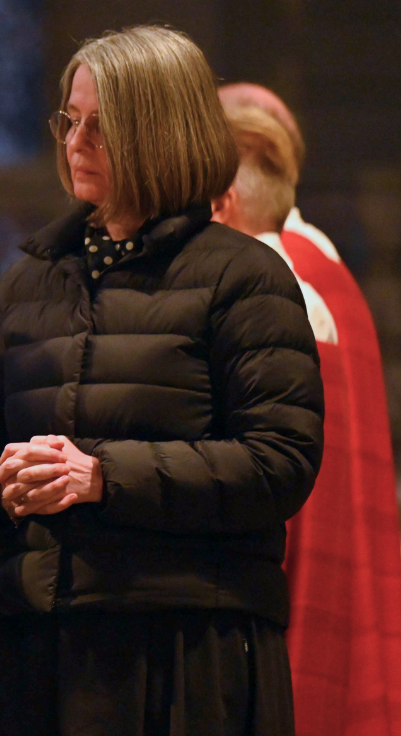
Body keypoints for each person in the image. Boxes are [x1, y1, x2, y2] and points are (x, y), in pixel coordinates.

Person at [0, 26, 323, 735]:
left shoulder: (244, 278)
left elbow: (280, 464)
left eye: (101, 125)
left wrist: (103, 475)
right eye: (71, 120)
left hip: (183, 654)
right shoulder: (30, 281)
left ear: (162, 132)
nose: (75, 141)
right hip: (35, 652)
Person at [212, 87, 401, 736]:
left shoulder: (258, 284)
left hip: (284, 617)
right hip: (351, 612)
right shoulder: (331, 275)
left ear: (220, 196)